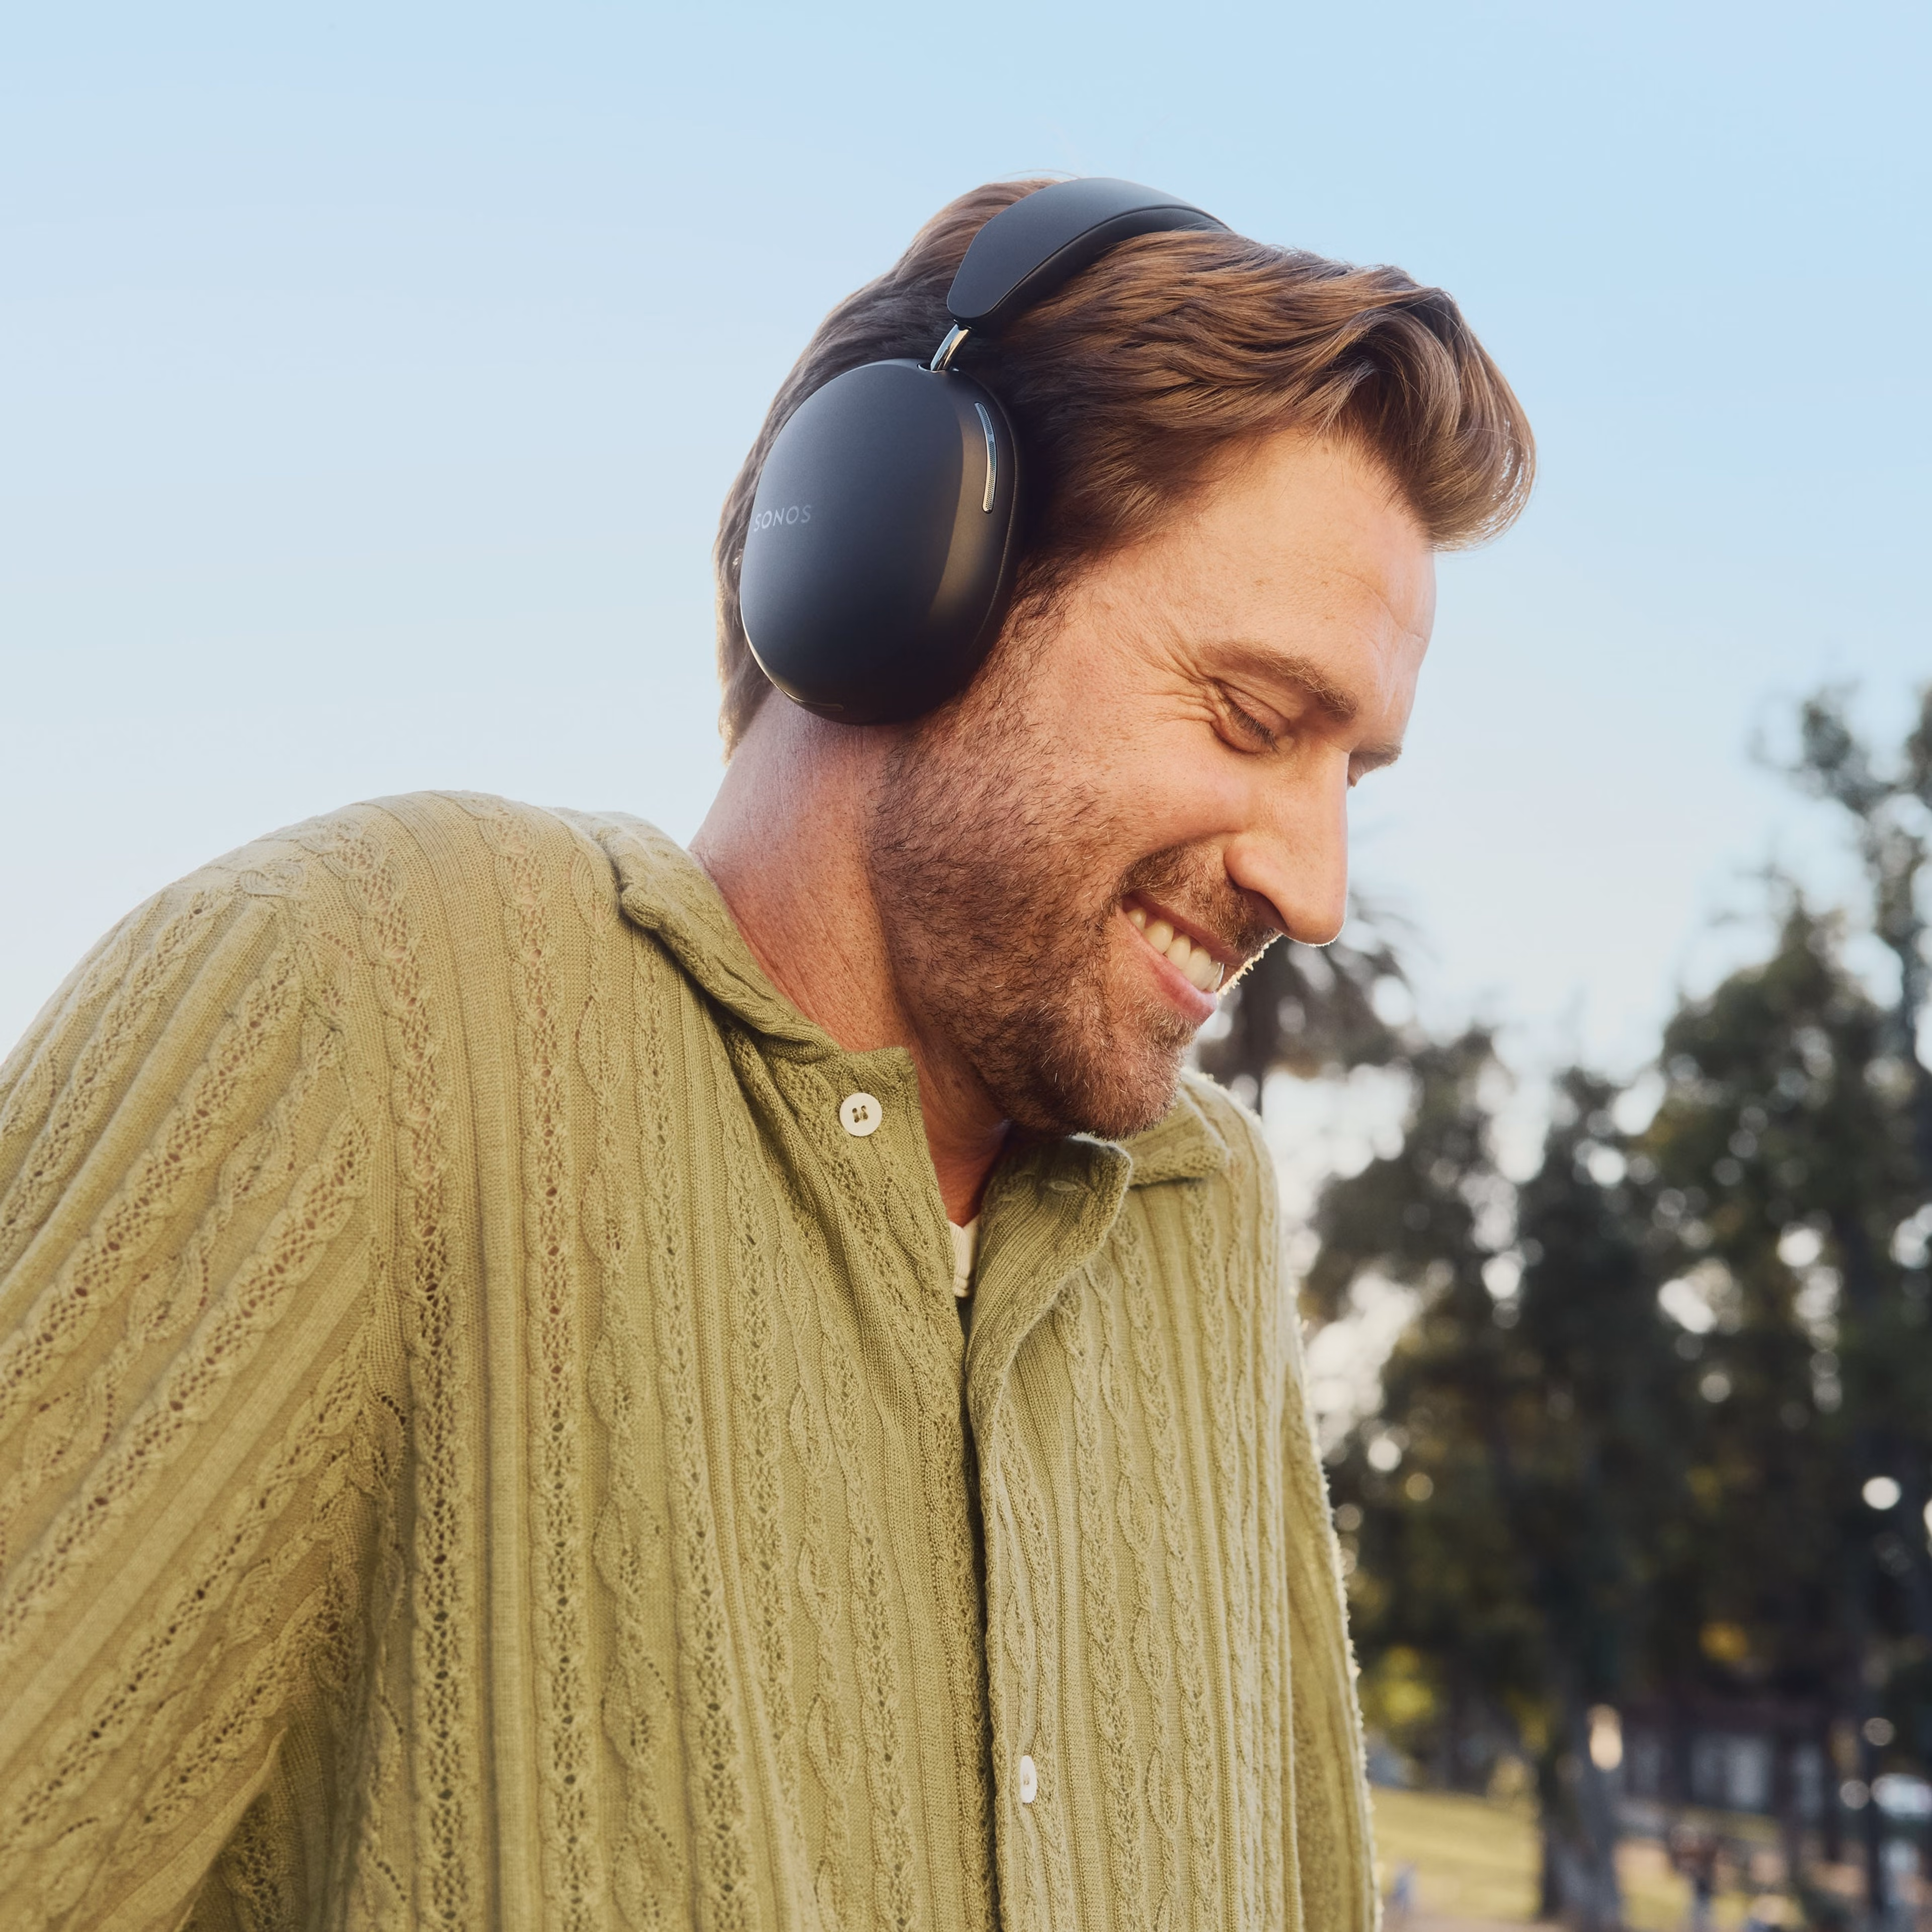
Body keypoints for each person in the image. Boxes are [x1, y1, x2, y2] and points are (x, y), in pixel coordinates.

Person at [0, 176, 1531, 1928]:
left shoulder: (1206, 1212)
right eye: (1257, 719)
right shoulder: (368, 996)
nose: (1317, 888)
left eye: (1355, 776)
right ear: (901, 574)